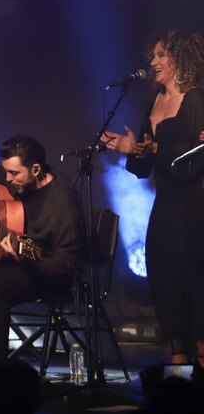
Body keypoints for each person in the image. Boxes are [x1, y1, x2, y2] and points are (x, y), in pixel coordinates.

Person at [102, 29, 204, 368]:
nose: (153, 62)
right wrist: (131, 150)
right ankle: (179, 380)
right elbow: (143, 170)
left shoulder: (196, 99)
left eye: (162, 55)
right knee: (166, 285)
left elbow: (195, 161)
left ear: (180, 59)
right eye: (153, 55)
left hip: (195, 207)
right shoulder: (153, 102)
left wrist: (158, 149)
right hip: (165, 209)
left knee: (195, 286)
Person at [0, 136, 81, 361]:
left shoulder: (62, 204)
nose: (8, 179)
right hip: (19, 261)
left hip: (48, 274)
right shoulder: (16, 175)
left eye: (14, 174)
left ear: (36, 169)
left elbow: (64, 263)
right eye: (6, 172)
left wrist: (24, 259)